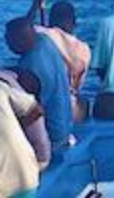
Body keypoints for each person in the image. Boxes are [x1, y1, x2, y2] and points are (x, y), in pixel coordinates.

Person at [6, 16, 74, 151]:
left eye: (9, 40)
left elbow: (31, 112)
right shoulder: (44, 40)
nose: (7, 44)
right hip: (65, 127)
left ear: (21, 40)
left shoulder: (31, 67)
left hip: (53, 136)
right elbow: (27, 24)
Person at [28, 0, 92, 122]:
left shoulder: (43, 34)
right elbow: (78, 85)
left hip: (47, 108)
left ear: (51, 20)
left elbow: (22, 29)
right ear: (74, 22)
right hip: (71, 107)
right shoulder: (84, 49)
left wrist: (36, 4)